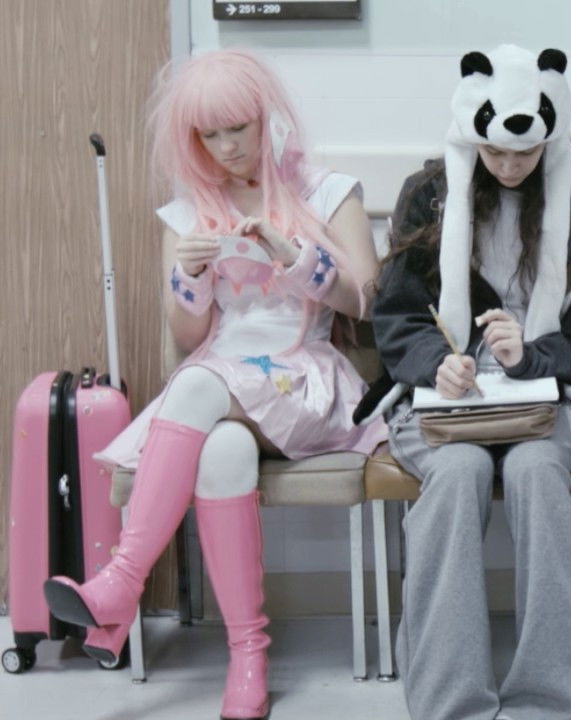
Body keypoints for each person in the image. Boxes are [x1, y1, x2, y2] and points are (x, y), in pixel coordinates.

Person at [43, 49, 385, 720]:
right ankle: (248, 657)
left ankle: (121, 582)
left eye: (238, 128)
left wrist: (296, 256)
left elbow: (367, 301)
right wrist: (191, 276)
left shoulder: (328, 192)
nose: (227, 147)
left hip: (305, 381)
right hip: (222, 386)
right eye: (209, 134)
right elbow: (189, 335)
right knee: (222, 452)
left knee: (197, 383)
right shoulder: (188, 214)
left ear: (267, 118)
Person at [358, 45, 571, 720]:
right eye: (494, 151)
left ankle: (546, 702)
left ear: (550, 138)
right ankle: (452, 703)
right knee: (457, 473)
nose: (507, 166)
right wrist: (436, 363)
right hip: (443, 402)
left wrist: (534, 353)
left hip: (548, 401)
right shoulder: (429, 197)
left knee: (537, 473)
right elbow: (395, 316)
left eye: (523, 153)